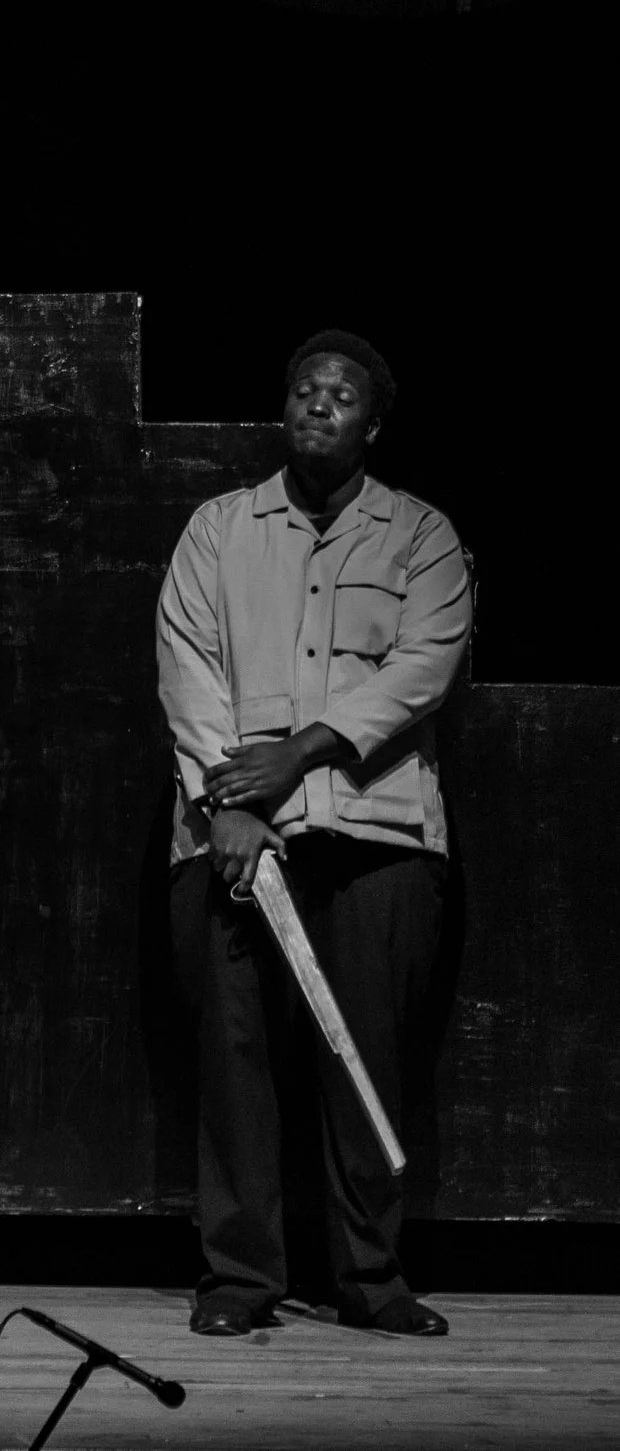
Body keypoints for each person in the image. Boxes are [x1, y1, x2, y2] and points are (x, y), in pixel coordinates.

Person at [155, 329, 472, 1339]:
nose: (314, 406)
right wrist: (231, 803)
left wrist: (295, 754)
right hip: (233, 833)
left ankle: (369, 1279)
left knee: (364, 1058)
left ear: (371, 421)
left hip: (375, 835)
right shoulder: (218, 528)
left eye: (338, 396)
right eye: (300, 391)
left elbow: (423, 668)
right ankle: (241, 1277)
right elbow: (186, 667)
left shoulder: (419, 534)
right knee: (235, 1061)